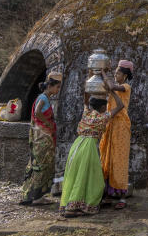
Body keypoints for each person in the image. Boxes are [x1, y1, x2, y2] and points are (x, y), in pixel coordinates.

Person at [59, 73, 123, 218]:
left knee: (75, 176)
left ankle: (71, 204)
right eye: (105, 106)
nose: (105, 108)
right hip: (88, 147)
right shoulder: (102, 117)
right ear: (101, 108)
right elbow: (120, 106)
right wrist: (112, 91)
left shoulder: (86, 113)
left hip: (77, 145)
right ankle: (77, 206)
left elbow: (85, 99)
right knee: (92, 179)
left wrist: (90, 81)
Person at [19, 72, 62, 206]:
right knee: (42, 166)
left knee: (39, 165)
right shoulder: (43, 98)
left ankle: (33, 195)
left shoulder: (45, 98)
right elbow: (37, 112)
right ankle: (36, 197)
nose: (58, 90)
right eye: (57, 87)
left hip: (43, 137)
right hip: (42, 138)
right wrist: (48, 123)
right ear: (50, 86)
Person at [99, 60, 134, 210]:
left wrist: (102, 72)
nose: (116, 74)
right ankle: (107, 195)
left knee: (119, 160)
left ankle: (122, 197)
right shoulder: (115, 86)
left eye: (118, 73)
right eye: (115, 72)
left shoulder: (126, 87)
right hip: (110, 125)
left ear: (125, 76)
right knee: (107, 158)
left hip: (121, 126)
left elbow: (112, 87)